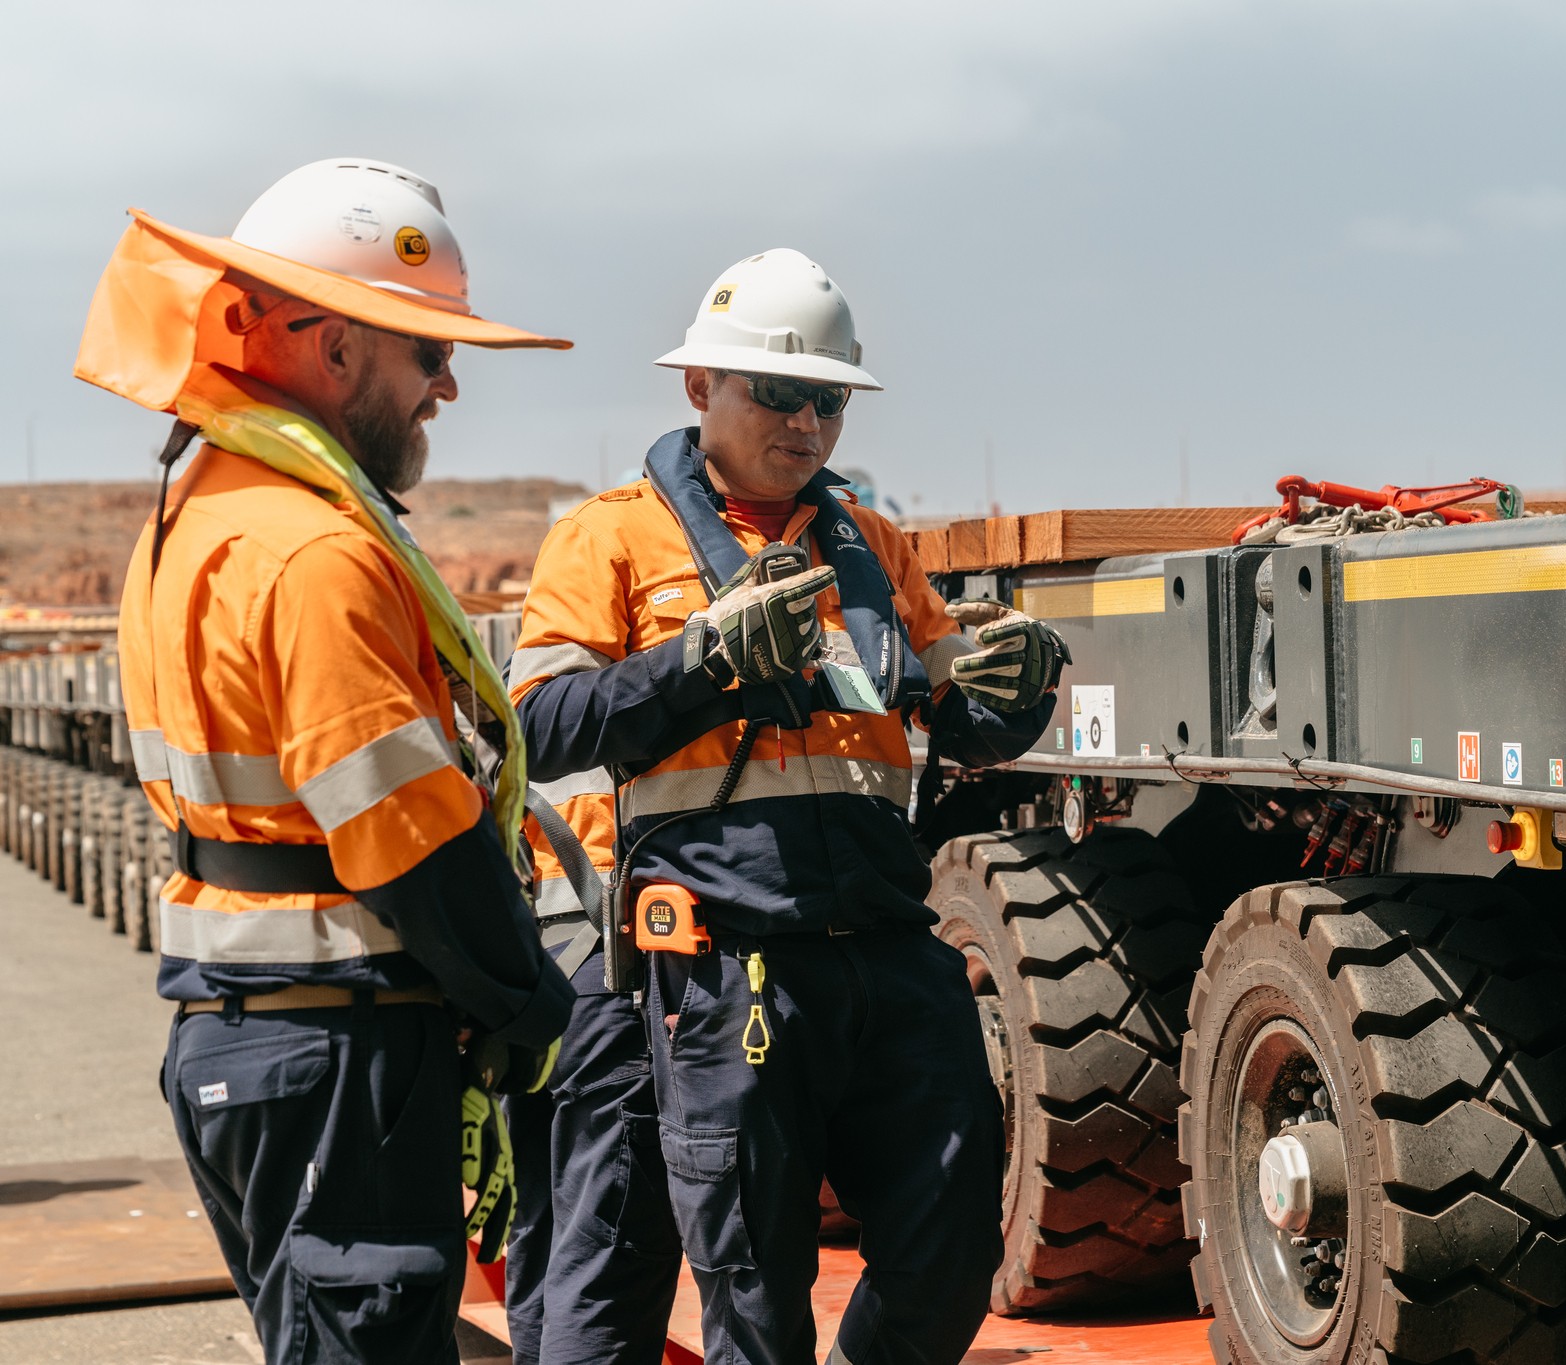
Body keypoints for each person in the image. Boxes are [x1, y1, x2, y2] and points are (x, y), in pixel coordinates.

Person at [508, 247, 1068, 1365]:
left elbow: (955, 717)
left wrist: (1015, 697)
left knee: (954, 1247)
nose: (808, 423)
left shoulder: (871, 547)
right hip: (727, 962)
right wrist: (701, 662)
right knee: (753, 1294)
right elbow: (544, 726)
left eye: (829, 400)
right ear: (699, 386)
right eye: (778, 392)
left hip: (884, 945)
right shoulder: (608, 537)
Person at [81, 158, 575, 1363]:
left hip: (260, 1043)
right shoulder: (312, 553)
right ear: (336, 347)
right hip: (336, 1058)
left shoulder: (201, 511)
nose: (447, 385)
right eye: (428, 351)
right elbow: (409, 833)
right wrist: (531, 1004)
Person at [501, 770, 684, 1364]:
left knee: (544, 1229)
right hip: (609, 970)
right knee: (608, 1245)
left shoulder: (515, 713)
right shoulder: (611, 710)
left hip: (532, 970)